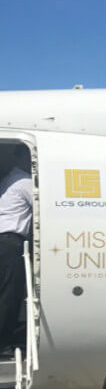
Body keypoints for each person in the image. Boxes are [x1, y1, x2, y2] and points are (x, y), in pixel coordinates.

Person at [0, 144, 32, 356]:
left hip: (5, 242)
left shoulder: (9, 180)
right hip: (11, 244)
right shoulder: (24, 182)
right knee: (9, 295)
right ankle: (3, 342)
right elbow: (45, 206)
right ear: (21, 158)